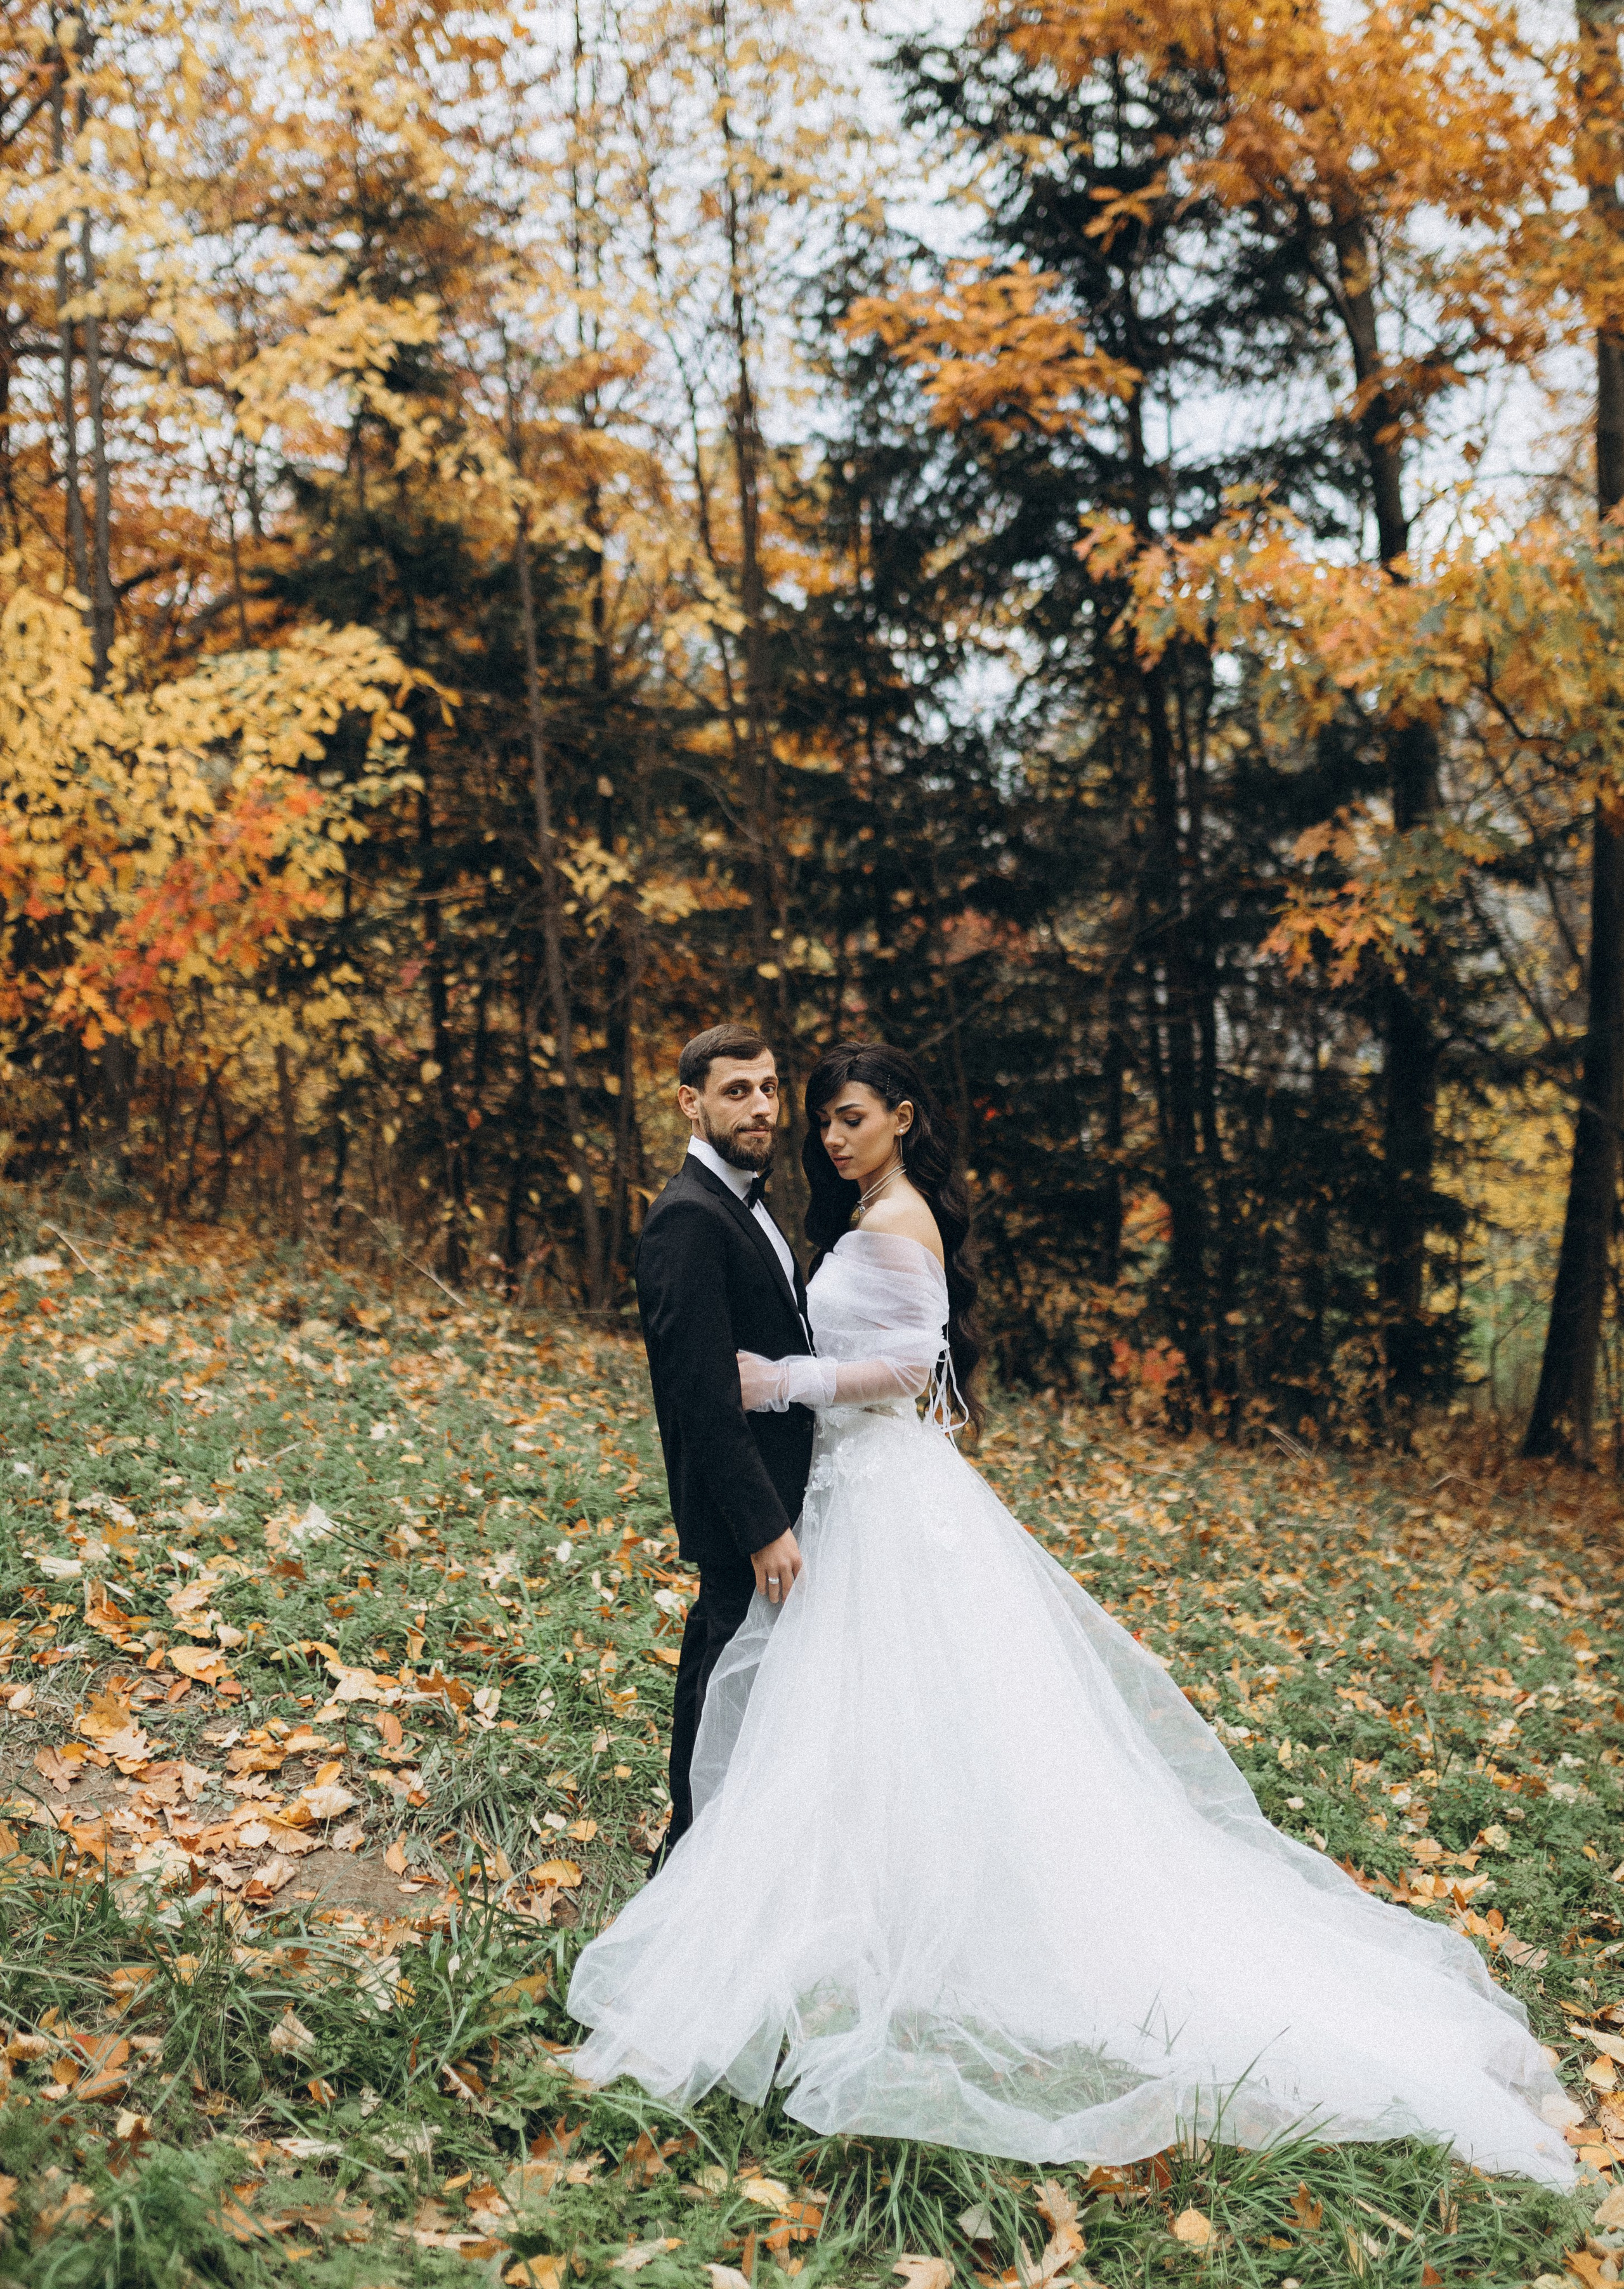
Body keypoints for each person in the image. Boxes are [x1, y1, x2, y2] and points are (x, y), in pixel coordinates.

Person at [572, 1041, 1579, 2184]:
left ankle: (834, 1917)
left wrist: (787, 1383)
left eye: (842, 1115)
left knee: (879, 1706)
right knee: (840, 1709)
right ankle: (782, 1898)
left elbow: (913, 1363)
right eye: (809, 1115)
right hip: (845, 1494)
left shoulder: (893, 1221)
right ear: (700, 1103)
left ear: (903, 1118)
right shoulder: (783, 1214)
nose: (822, 1133)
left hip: (877, 1490)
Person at [634, 1022, 815, 1859]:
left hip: (780, 1495)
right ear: (690, 1103)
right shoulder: (688, 1221)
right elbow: (701, 1398)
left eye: (770, 1088)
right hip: (743, 1509)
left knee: (750, 1680)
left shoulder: (746, 1203)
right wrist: (763, 1525)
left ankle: (729, 1851)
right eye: (737, 1091)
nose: (760, 1106)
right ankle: (689, 1850)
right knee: (719, 1676)